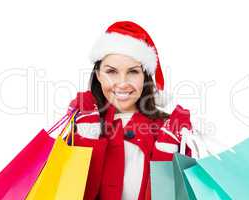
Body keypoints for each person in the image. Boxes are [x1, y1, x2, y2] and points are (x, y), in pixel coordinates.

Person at [67, 21, 193, 200]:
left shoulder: (167, 129)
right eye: (111, 71)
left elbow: (177, 194)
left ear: (145, 77)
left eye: (133, 72)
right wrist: (87, 137)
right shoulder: (82, 123)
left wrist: (167, 149)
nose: (123, 82)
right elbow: (71, 193)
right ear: (98, 75)